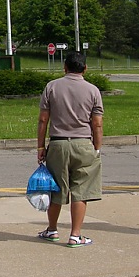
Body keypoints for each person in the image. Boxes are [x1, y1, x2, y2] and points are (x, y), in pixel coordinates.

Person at [36, 51, 103, 248]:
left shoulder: (52, 87)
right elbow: (97, 124)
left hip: (57, 143)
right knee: (80, 190)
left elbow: (43, 119)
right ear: (85, 68)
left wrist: (41, 145)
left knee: (56, 188)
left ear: (64, 67)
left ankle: (52, 229)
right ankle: (75, 235)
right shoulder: (93, 91)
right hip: (83, 143)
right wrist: (97, 147)